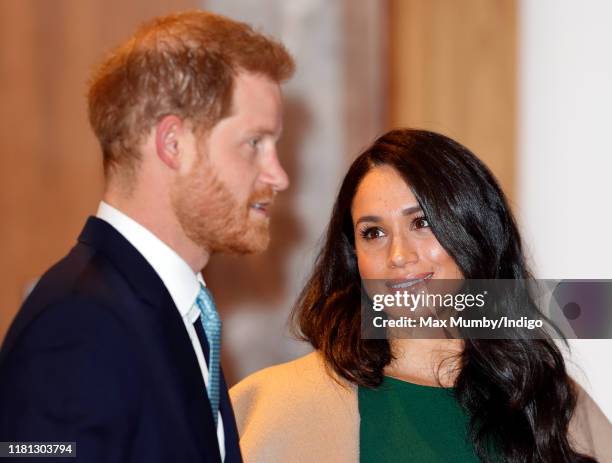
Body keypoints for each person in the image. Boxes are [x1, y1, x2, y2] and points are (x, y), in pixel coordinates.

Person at [0, 10, 294, 463]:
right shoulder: (78, 325)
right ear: (173, 143)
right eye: (254, 142)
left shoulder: (178, 308)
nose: (278, 176)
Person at [230, 129, 612, 462]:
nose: (398, 256)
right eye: (373, 233)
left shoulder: (553, 402)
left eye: (421, 223)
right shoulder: (277, 406)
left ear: (476, 231)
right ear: (353, 255)